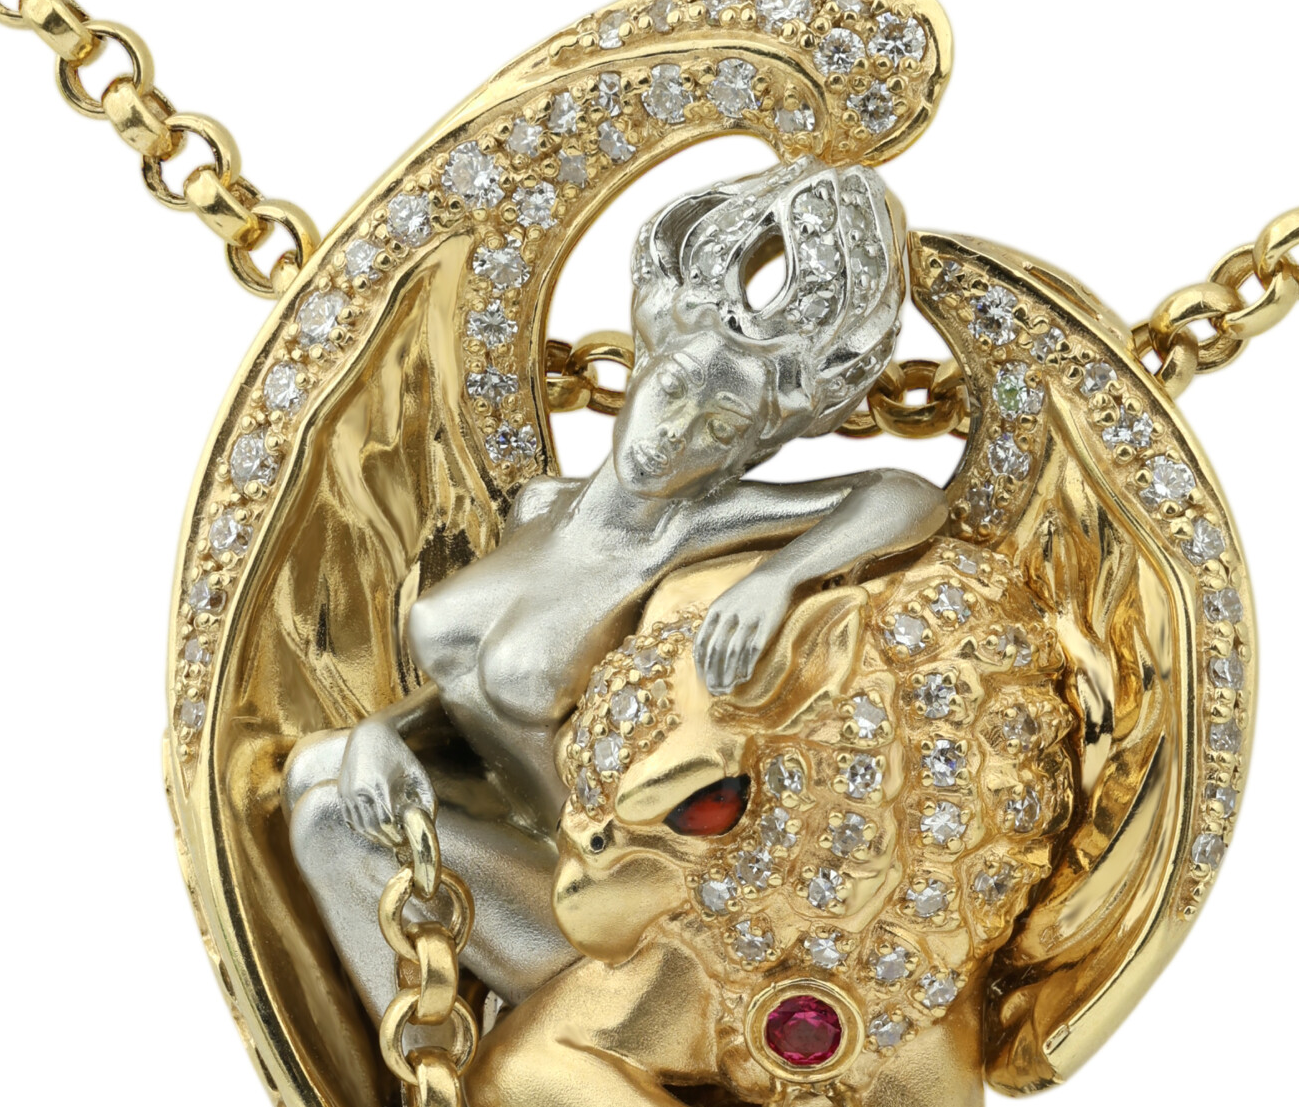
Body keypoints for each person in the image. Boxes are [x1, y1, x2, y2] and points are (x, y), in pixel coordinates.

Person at [285, 157, 946, 1009]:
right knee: (318, 765)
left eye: (720, 428)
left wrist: (780, 577)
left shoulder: (695, 528)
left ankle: (425, 1071)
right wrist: (383, 733)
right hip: (487, 822)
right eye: (673, 393)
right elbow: (469, 697)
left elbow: (904, 495)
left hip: (586, 900)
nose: (675, 437)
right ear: (641, 369)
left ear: (746, 451)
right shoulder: (539, 507)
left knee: (325, 818)